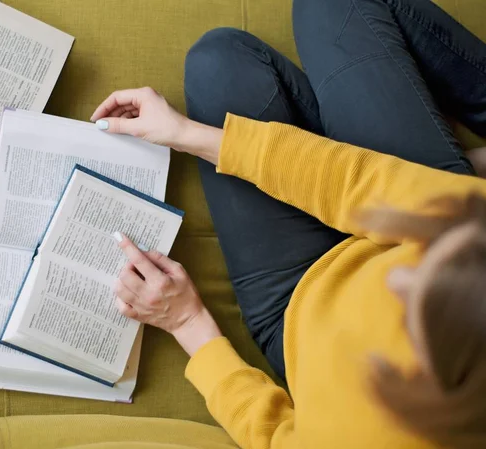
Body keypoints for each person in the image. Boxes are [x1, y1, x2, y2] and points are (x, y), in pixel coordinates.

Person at [91, 0, 486, 447]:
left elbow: (273, 435)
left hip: (295, 306)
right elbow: (361, 185)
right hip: (409, 201)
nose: (393, 274)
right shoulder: (473, 236)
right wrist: (187, 135)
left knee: (218, 64)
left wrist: (186, 320)